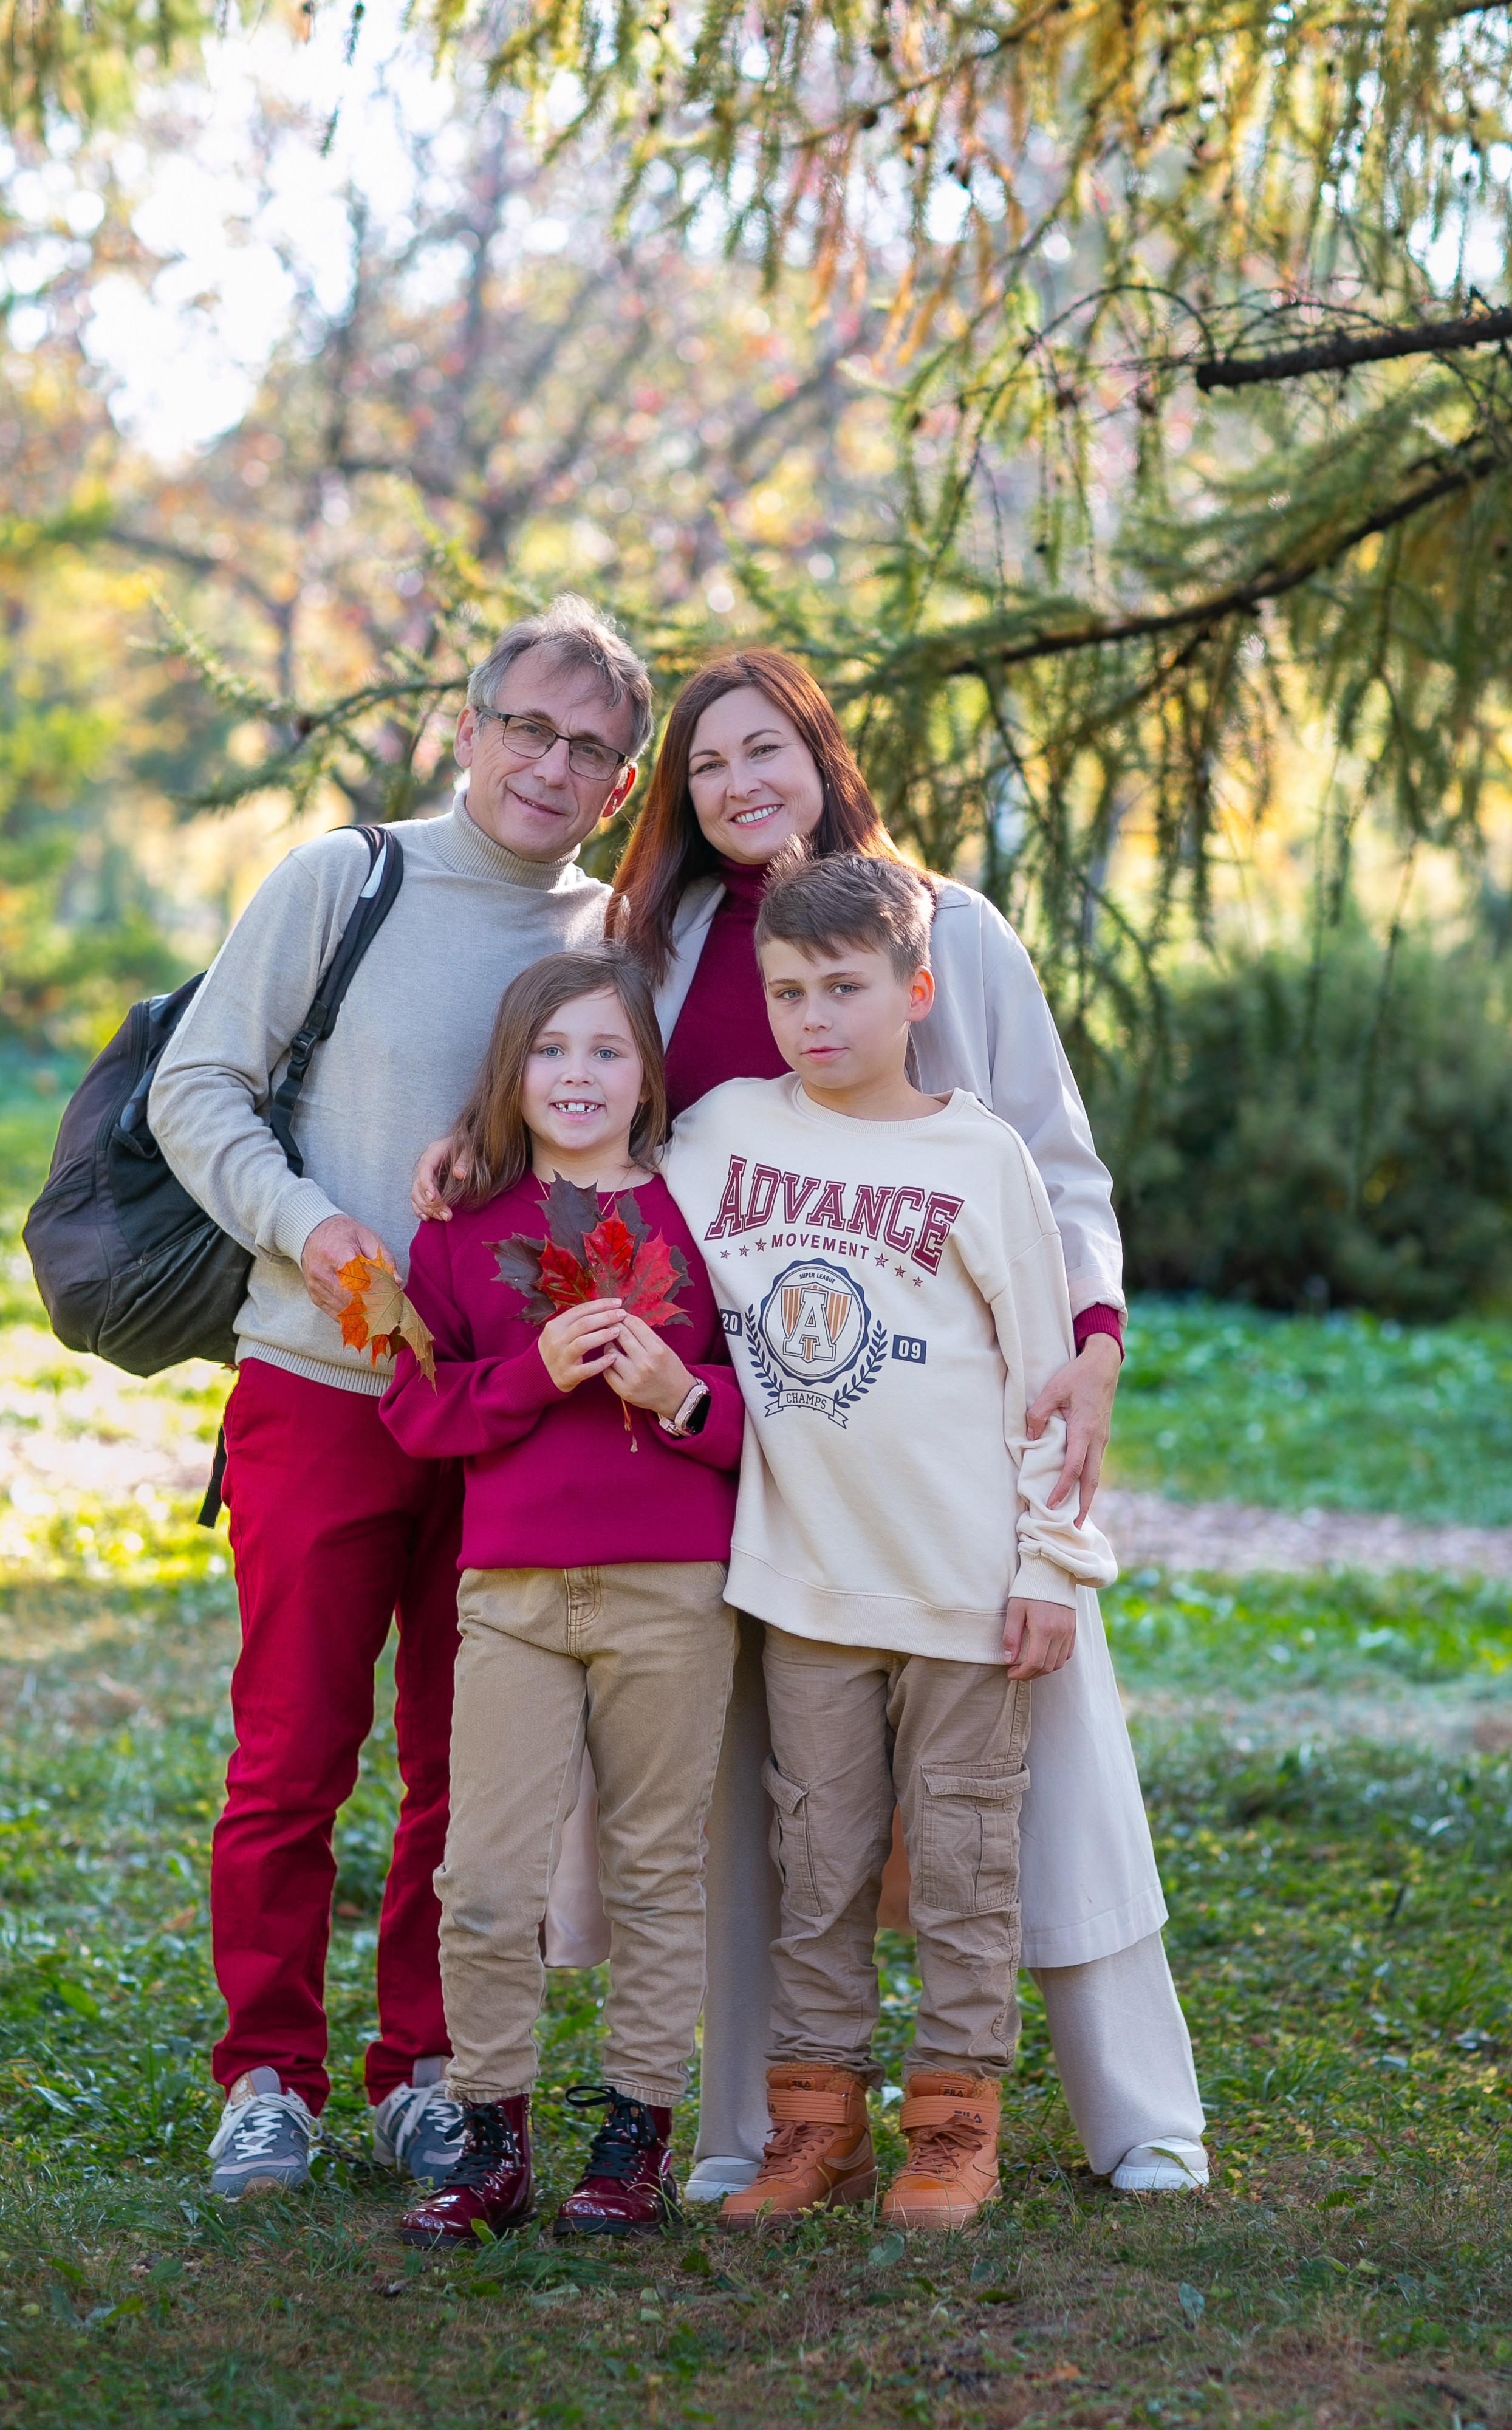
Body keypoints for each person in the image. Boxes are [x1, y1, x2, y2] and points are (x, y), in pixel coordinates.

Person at [414, 646, 1208, 2197]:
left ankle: (1131, 2112)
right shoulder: (664, 937)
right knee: (763, 1809)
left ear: (820, 752)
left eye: (764, 749)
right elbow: (611, 1118)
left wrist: (1094, 1344)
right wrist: (475, 1147)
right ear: (678, 797)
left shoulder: (945, 925)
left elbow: (1048, 1162)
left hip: (951, 1432)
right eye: (707, 764)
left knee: (1033, 1798)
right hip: (741, 1444)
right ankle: (758, 2124)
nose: (740, 785)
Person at [148, 597, 651, 2198]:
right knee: (294, 1749)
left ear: (621, 786)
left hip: (513, 1421)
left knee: (470, 1763)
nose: (551, 765)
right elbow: (195, 1089)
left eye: (590, 749)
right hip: (320, 1385)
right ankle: (266, 2075)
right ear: (470, 722)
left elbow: (614, 1175)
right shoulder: (341, 881)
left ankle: (425, 2070)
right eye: (530, 726)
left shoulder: (607, 948)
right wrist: (317, 1230)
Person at [663, 851, 1118, 2228]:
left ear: (917, 990)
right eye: (789, 989)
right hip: (807, 1590)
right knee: (818, 1867)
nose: (815, 1016)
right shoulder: (727, 1131)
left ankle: (956, 2125)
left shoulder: (977, 1153)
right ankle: (816, 2128)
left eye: (845, 988)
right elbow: (605, 1197)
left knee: (971, 1868)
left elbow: (1047, 1381)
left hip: (966, 1592)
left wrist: (1049, 1565)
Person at [380, 951, 743, 2243]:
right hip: (515, 1592)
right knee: (482, 1875)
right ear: (511, 1073)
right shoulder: (462, 1227)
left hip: (672, 1584)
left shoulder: (706, 1214)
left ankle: (633, 2140)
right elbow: (418, 1405)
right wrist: (530, 1371)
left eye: (605, 1050)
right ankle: (490, 2142)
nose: (577, 1076)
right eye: (550, 1052)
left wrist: (680, 1397)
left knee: (655, 1867)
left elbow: (781, 1406)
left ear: (647, 1070)